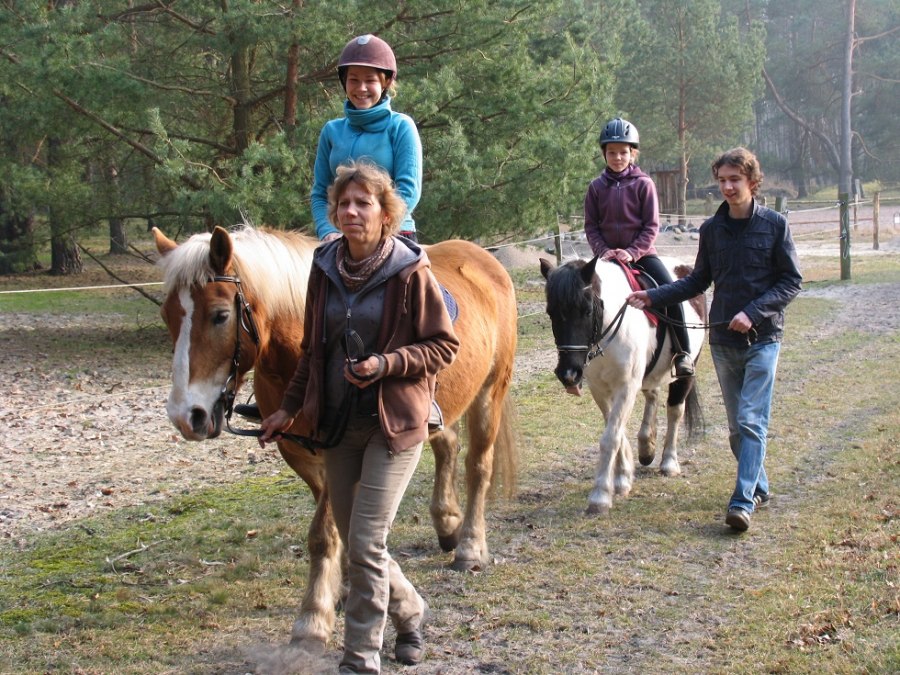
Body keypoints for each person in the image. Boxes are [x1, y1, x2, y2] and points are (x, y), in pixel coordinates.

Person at [258, 161, 458, 672]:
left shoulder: (411, 271)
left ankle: (360, 658)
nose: (351, 212)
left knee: (367, 542)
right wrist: (286, 408)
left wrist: (387, 364)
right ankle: (410, 610)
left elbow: (442, 345)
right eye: (344, 204)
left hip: (394, 426)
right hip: (339, 426)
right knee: (356, 543)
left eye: (363, 203)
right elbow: (311, 352)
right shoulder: (324, 267)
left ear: (385, 213)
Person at [626, 147, 802, 533]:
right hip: (722, 339)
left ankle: (742, 501)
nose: (727, 186)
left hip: (764, 338)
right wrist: (652, 296)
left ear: (752, 182)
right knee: (738, 428)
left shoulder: (774, 226)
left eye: (735, 179)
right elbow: (697, 281)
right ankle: (760, 484)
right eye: (722, 180)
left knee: (751, 420)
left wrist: (753, 312)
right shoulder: (711, 230)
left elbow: (791, 281)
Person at [583, 117, 694, 377]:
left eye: (623, 152)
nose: (618, 157)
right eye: (612, 152)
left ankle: (682, 353)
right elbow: (591, 227)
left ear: (633, 153)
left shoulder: (644, 184)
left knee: (670, 290)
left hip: (641, 256)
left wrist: (632, 252)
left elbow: (651, 226)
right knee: (578, 299)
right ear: (604, 154)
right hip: (606, 257)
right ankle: (579, 359)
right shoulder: (596, 188)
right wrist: (603, 251)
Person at [311, 34, 423, 243]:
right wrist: (328, 231)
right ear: (345, 82)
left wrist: (374, 227)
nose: (361, 88)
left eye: (370, 80)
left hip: (394, 235)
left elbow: (409, 190)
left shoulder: (401, 126)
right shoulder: (331, 131)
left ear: (386, 81)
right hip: (340, 237)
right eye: (354, 79)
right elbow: (320, 192)